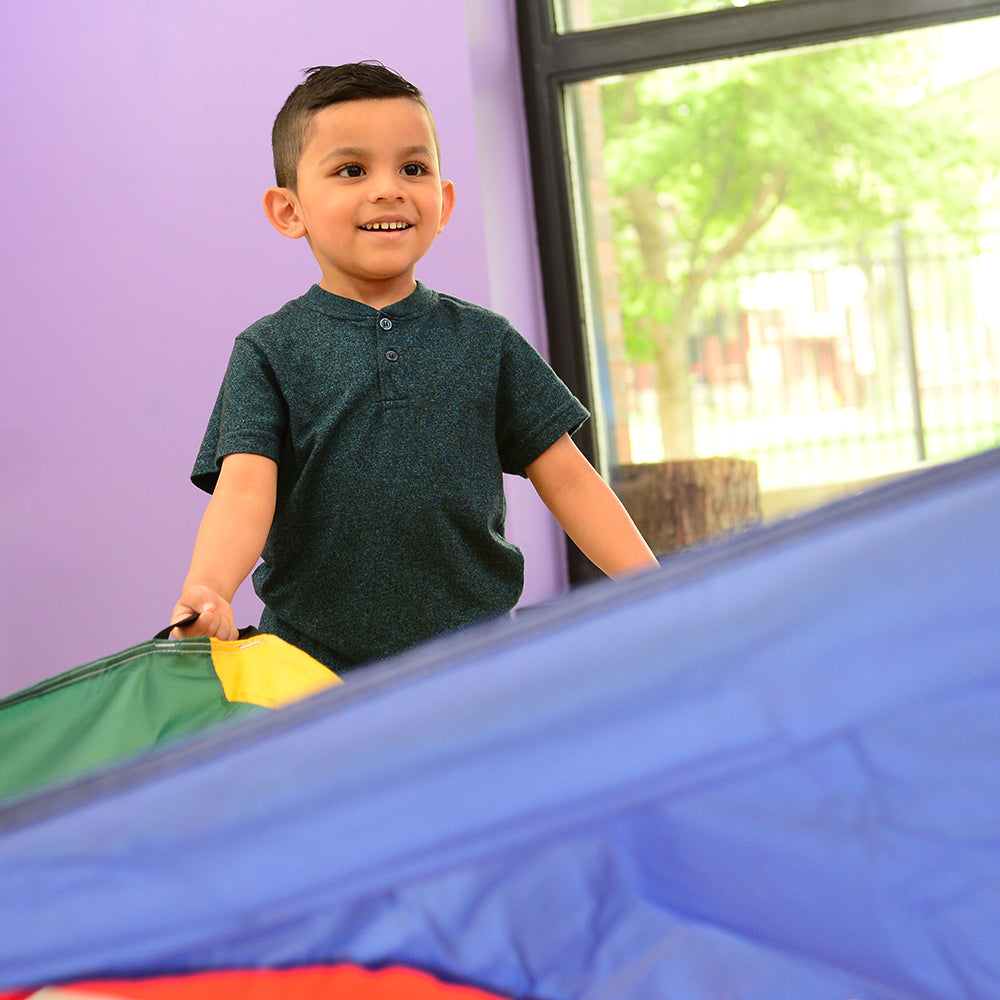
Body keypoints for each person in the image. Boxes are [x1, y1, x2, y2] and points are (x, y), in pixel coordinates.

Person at [171, 62, 657, 672]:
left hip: (478, 661)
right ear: (289, 210)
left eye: (413, 168)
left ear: (443, 202)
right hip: (312, 668)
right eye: (352, 170)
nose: (389, 189)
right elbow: (244, 490)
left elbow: (570, 481)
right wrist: (209, 589)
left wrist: (653, 587)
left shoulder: (487, 341)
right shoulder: (268, 351)